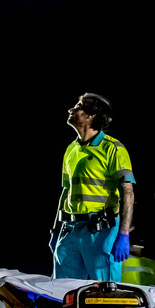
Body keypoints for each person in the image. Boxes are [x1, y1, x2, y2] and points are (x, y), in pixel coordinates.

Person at [51, 93, 136, 281]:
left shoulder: (113, 148)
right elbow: (66, 192)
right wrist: (56, 229)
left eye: (78, 106)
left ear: (90, 116)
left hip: (100, 231)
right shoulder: (71, 149)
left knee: (105, 295)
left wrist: (123, 234)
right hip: (70, 231)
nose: (71, 110)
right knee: (63, 293)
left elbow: (128, 193)